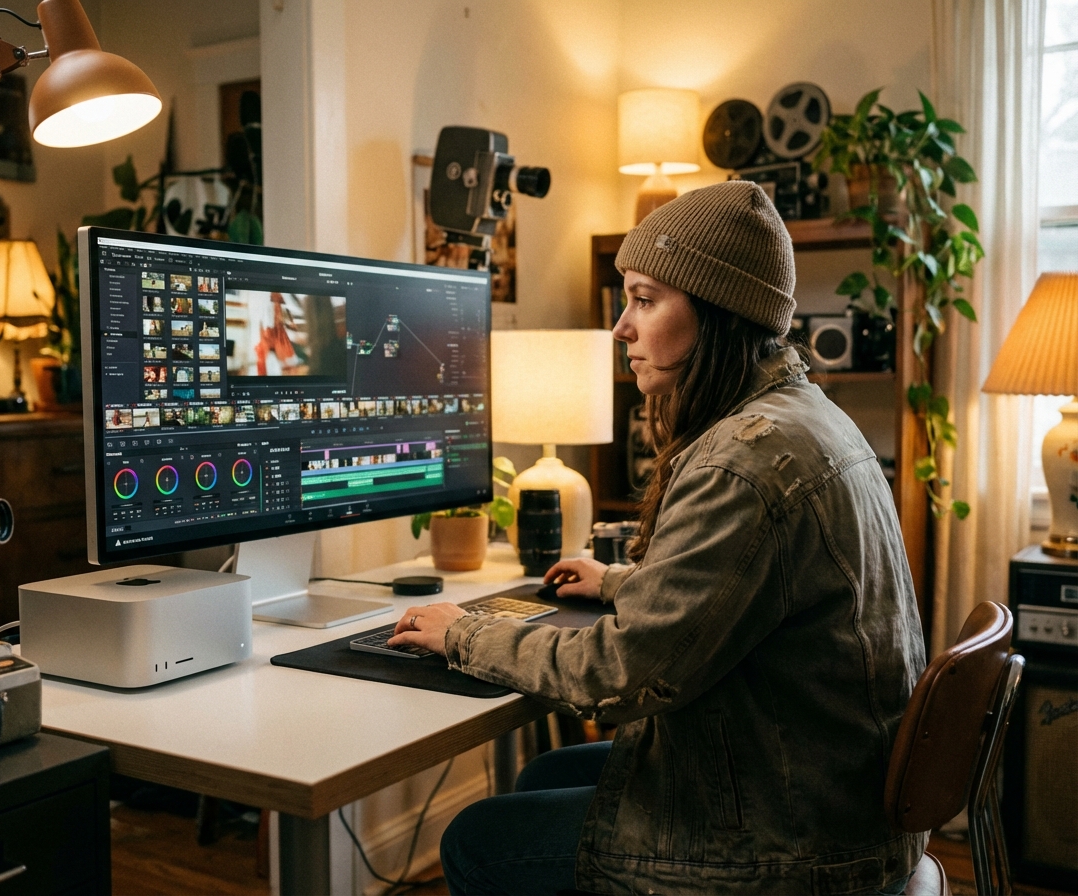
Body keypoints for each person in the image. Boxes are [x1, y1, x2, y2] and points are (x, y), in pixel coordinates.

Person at [388, 181, 926, 895]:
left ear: (718, 311)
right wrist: (616, 582)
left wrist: (462, 633)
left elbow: (615, 674)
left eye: (645, 299)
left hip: (798, 843)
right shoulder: (807, 414)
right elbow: (745, 593)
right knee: (546, 771)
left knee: (478, 840)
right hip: (828, 792)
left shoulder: (745, 460)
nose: (621, 326)